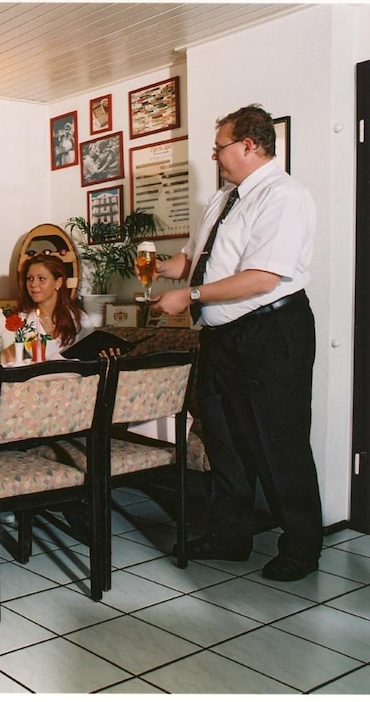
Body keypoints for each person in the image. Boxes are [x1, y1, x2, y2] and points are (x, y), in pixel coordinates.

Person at [153, 104, 321, 582]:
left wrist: (190, 296)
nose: (215, 155)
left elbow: (262, 278)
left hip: (270, 332)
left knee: (279, 442)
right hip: (222, 337)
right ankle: (229, 537)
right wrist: (160, 268)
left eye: (219, 147)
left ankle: (302, 547)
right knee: (224, 440)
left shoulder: (284, 197)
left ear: (249, 145)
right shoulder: (224, 198)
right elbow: (195, 261)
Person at [4, 253, 92, 363]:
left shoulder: (79, 319)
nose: (33, 284)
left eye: (41, 279)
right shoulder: (21, 320)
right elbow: (8, 355)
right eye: (30, 278)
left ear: (58, 283)